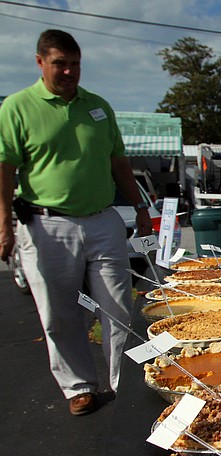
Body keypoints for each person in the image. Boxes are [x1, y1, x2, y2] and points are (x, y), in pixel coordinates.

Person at [0, 29, 151, 416]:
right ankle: (79, 386)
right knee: (59, 312)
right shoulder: (17, 107)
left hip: (102, 220)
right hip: (48, 225)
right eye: (59, 64)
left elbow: (119, 163)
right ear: (40, 63)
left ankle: (124, 381)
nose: (68, 72)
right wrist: (3, 223)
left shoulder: (97, 107)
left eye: (75, 65)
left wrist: (138, 206)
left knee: (118, 307)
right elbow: (5, 168)